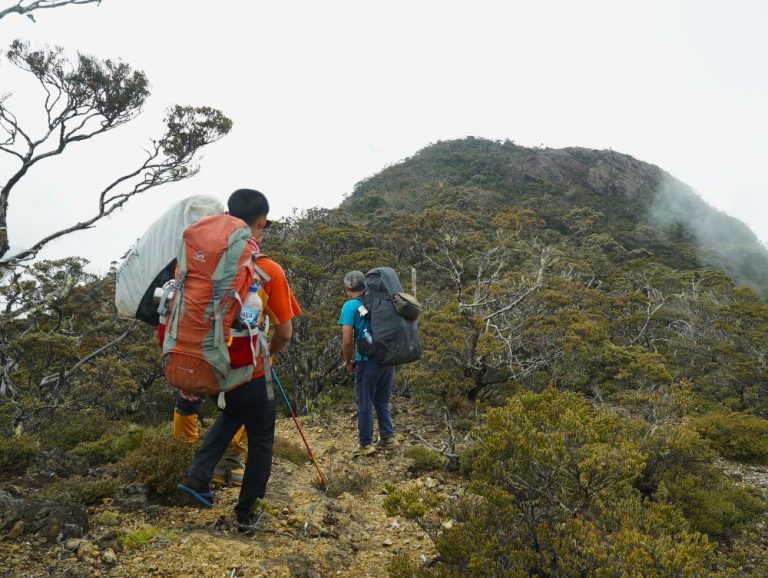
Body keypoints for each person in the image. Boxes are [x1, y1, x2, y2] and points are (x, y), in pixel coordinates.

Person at [177, 188, 301, 529]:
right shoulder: (268, 269)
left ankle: (197, 476)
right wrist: (270, 354)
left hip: (206, 361)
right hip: (249, 365)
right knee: (261, 437)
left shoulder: (201, 261)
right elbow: (285, 332)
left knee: (233, 412)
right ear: (260, 222)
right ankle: (247, 513)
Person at [339, 270, 398, 457]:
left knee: (364, 402)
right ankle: (388, 438)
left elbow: (347, 340)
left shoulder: (350, 306)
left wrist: (348, 362)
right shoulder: (379, 301)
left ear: (347, 287)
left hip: (367, 360)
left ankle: (365, 444)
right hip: (387, 358)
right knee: (382, 401)